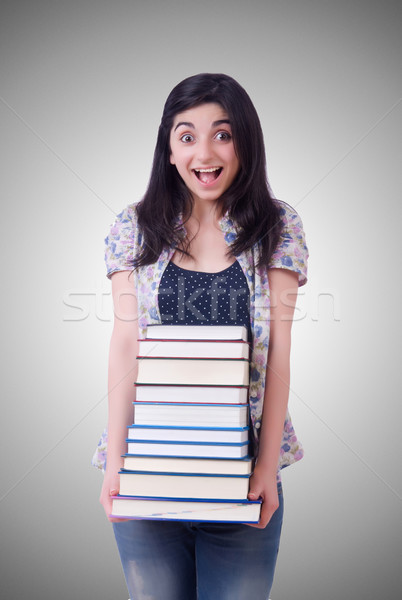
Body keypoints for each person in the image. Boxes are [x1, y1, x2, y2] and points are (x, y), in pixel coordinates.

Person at [92, 73, 308, 600]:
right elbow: (125, 345)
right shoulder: (133, 226)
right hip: (147, 469)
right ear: (168, 149)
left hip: (242, 473)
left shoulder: (279, 225)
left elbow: (278, 352)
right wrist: (116, 465)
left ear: (245, 144)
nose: (204, 153)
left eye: (223, 134)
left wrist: (264, 468)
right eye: (187, 136)